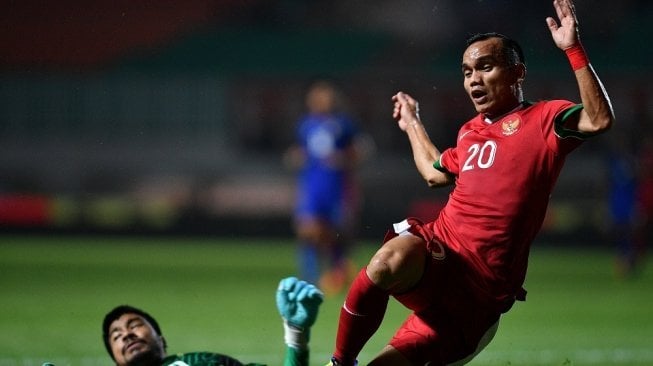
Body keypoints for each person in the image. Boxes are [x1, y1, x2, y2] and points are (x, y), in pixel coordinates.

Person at [326, 0, 615, 365]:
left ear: (517, 73)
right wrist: (412, 122)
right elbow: (434, 172)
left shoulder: (545, 118)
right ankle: (339, 362)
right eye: (466, 72)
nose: (473, 79)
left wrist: (573, 49)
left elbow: (599, 119)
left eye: (485, 67)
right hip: (441, 252)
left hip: (477, 296)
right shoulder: (470, 132)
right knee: (387, 261)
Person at [102, 277, 323, 366]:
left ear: (161, 339)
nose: (127, 334)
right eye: (116, 335)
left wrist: (295, 333)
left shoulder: (201, 361)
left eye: (134, 325)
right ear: (115, 359)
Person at [285, 80, 370, 295]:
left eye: (325, 96)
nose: (321, 101)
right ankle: (310, 277)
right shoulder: (305, 124)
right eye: (317, 97)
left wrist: (345, 160)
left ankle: (338, 272)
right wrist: (296, 157)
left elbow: (362, 150)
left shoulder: (344, 124)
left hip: (337, 186)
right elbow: (304, 151)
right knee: (308, 230)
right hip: (312, 184)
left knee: (335, 232)